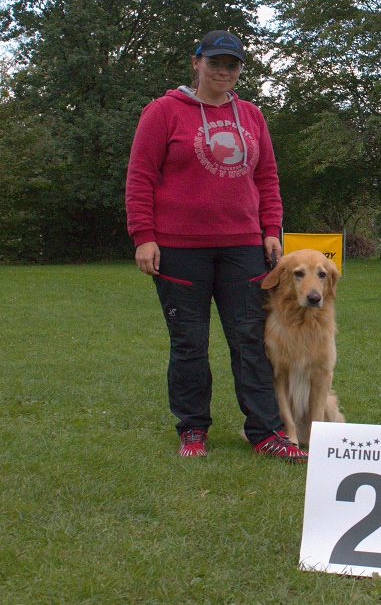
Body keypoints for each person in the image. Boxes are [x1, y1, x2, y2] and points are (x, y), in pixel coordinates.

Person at [125, 30, 306, 463]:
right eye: (216, 63)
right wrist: (143, 236)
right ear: (197, 62)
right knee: (189, 343)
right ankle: (192, 430)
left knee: (250, 341)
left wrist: (270, 229)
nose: (224, 71)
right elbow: (140, 177)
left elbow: (267, 179)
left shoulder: (252, 117)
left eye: (232, 64)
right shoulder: (163, 112)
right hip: (178, 249)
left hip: (243, 248)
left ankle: (265, 431)